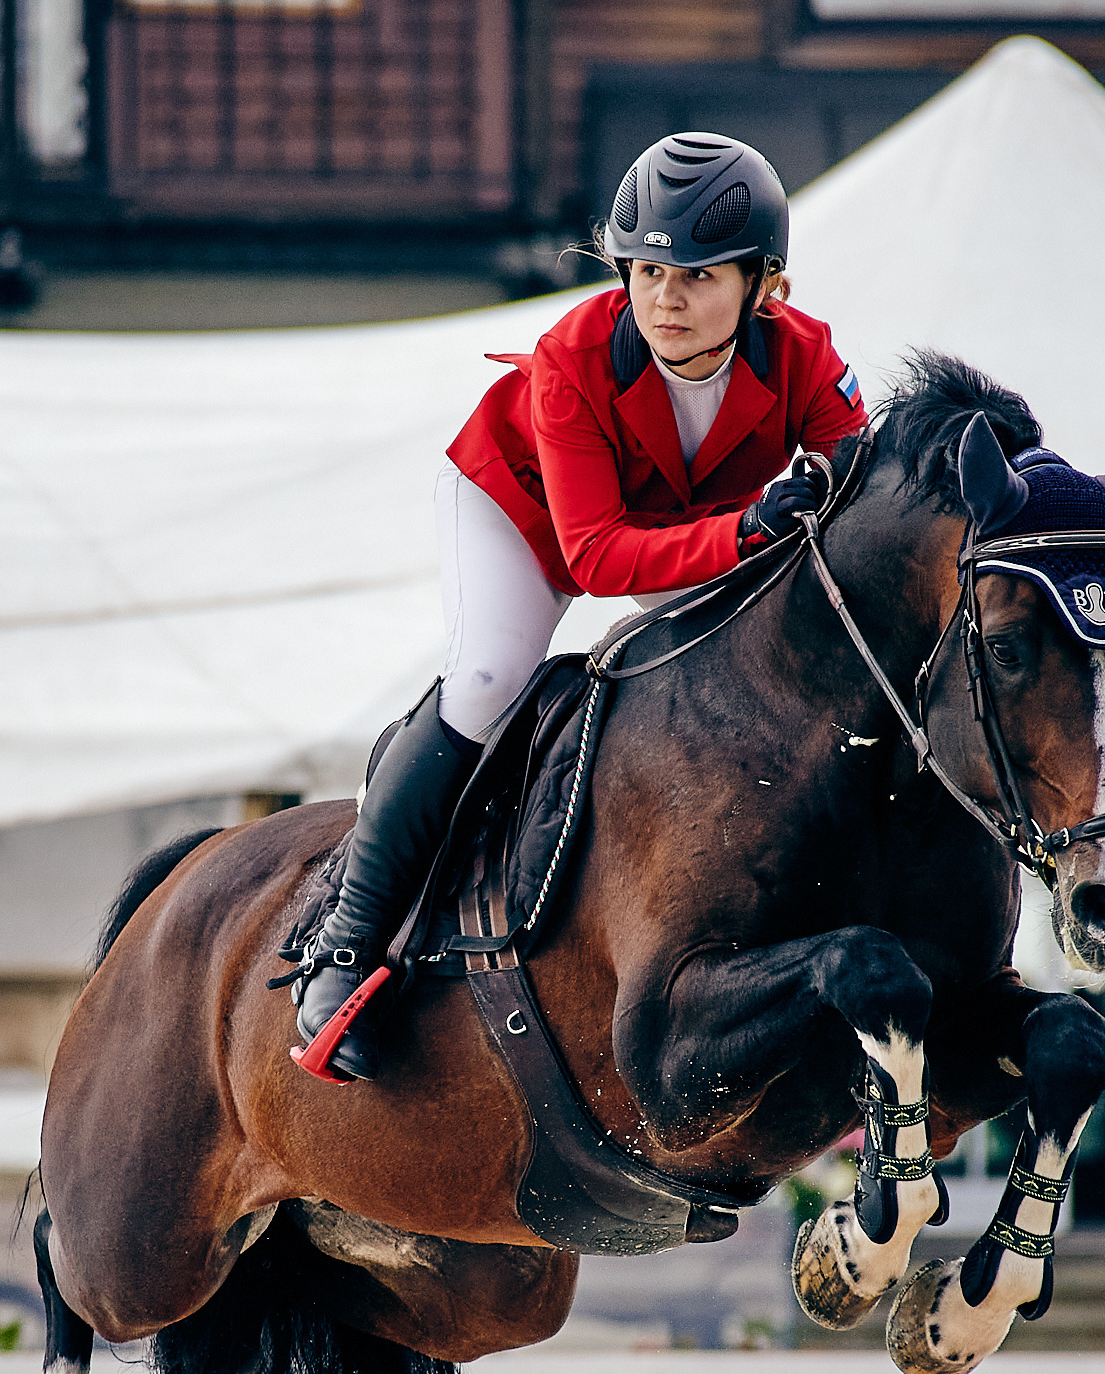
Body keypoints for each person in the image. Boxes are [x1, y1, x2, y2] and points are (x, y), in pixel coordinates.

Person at [290, 132, 870, 1083]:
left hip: (683, 526)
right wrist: (752, 531)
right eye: (645, 270)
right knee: (487, 677)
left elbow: (862, 491)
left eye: (696, 275)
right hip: (521, 514)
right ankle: (343, 948)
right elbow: (594, 555)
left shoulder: (807, 358)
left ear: (767, 284)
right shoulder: (574, 357)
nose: (664, 299)